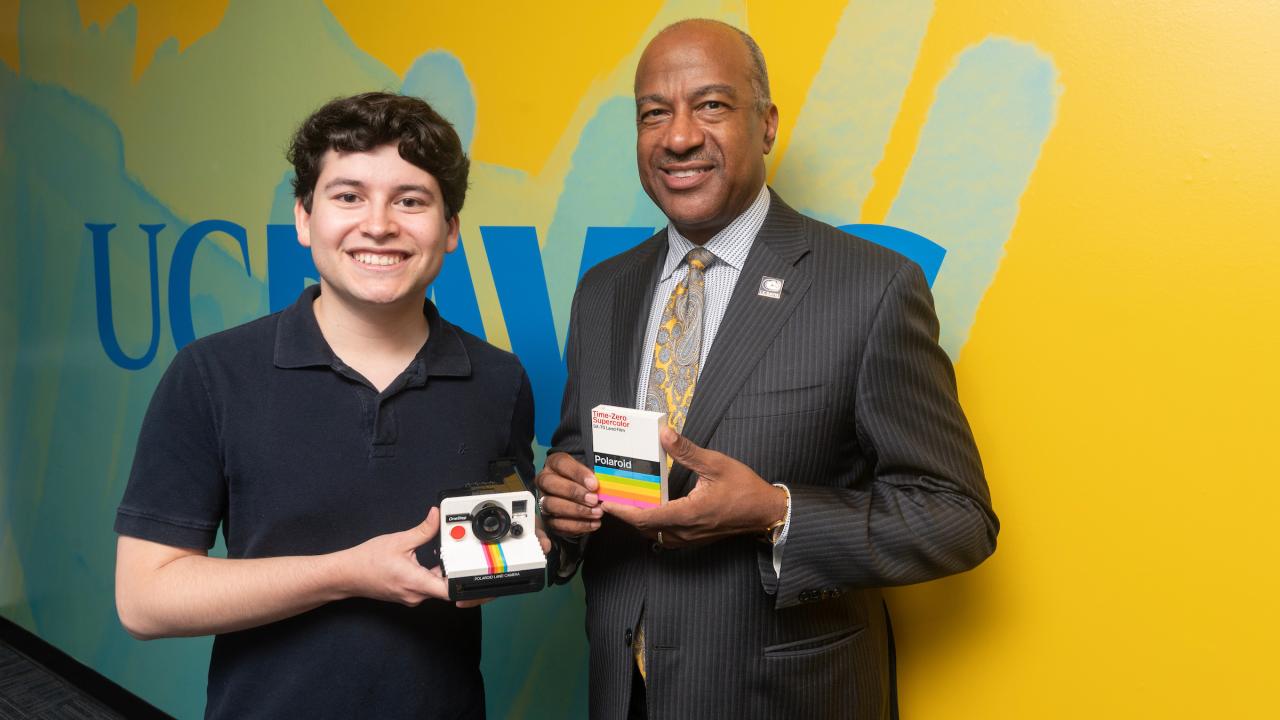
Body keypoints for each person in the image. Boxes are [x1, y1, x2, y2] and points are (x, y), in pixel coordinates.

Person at [536, 19, 999, 719]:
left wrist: (777, 513)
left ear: (768, 125)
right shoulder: (603, 290)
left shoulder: (869, 288)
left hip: (786, 698)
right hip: (625, 696)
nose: (679, 136)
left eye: (712, 105)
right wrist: (565, 506)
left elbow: (956, 517)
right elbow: (586, 461)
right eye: (653, 113)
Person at [114, 92, 536, 719]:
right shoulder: (210, 374)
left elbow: (497, 550)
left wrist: (534, 544)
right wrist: (346, 573)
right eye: (348, 196)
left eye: (411, 199)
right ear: (305, 219)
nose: (379, 224)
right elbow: (145, 600)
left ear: (449, 230)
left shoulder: (498, 380)